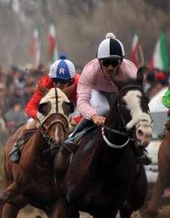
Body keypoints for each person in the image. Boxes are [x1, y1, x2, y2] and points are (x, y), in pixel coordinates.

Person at [61, 32, 150, 165]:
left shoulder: (129, 70)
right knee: (102, 109)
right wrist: (93, 116)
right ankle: (73, 137)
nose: (110, 67)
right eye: (106, 63)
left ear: (121, 61)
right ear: (99, 61)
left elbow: (137, 97)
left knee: (126, 111)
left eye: (114, 63)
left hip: (120, 93)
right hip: (98, 92)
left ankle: (139, 149)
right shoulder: (90, 71)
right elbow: (82, 101)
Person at [9, 54, 79, 163]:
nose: (58, 85)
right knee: (31, 123)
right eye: (55, 80)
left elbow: (87, 107)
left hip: (74, 107)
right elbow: (30, 108)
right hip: (51, 113)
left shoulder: (79, 83)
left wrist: (76, 120)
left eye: (63, 81)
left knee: (79, 124)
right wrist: (41, 117)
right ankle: (18, 146)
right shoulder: (45, 83)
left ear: (71, 80)